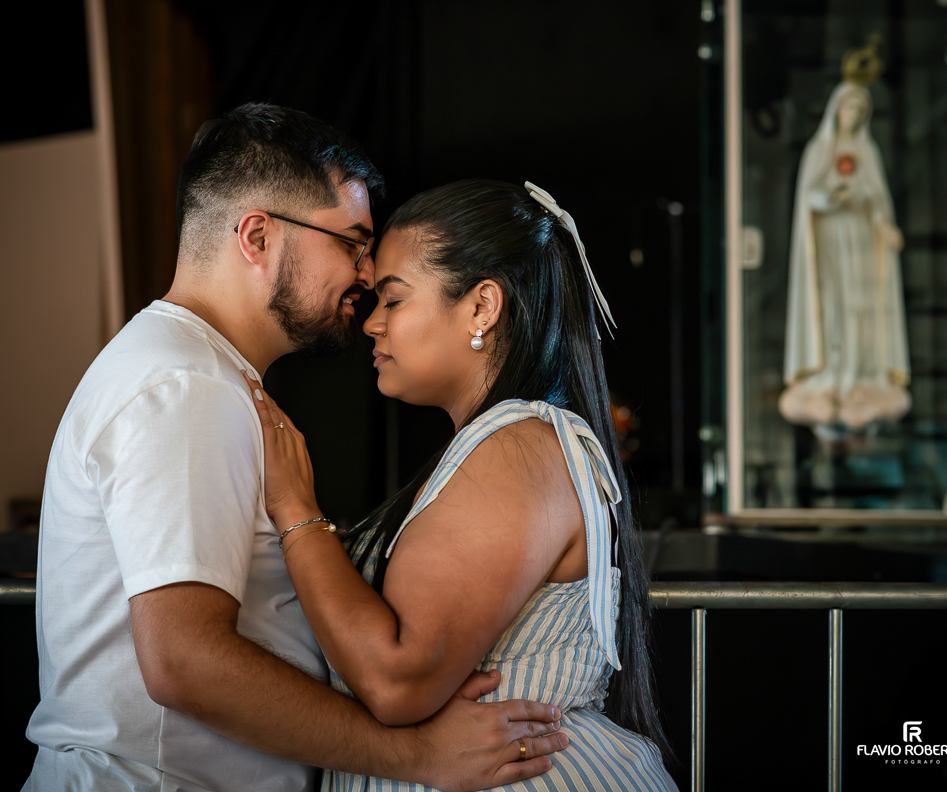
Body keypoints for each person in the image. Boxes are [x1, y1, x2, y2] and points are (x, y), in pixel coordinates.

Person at [23, 105, 568, 791]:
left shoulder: (199, 373)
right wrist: (413, 755)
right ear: (256, 235)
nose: (366, 274)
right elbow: (183, 660)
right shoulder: (186, 383)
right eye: (352, 242)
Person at [248, 179, 678, 790]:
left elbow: (397, 680)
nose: (371, 324)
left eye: (393, 301)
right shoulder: (501, 446)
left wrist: (297, 510)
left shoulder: (520, 447)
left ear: (481, 307)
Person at [780, 60, 910, 431]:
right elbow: (810, 198)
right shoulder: (819, 149)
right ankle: (832, 375)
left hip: (863, 244)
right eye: (849, 107)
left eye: (860, 109)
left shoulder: (869, 153)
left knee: (862, 308)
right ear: (836, 109)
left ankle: (862, 376)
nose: (853, 114)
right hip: (829, 243)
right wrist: (833, 196)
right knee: (833, 309)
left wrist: (884, 224)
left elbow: (879, 200)